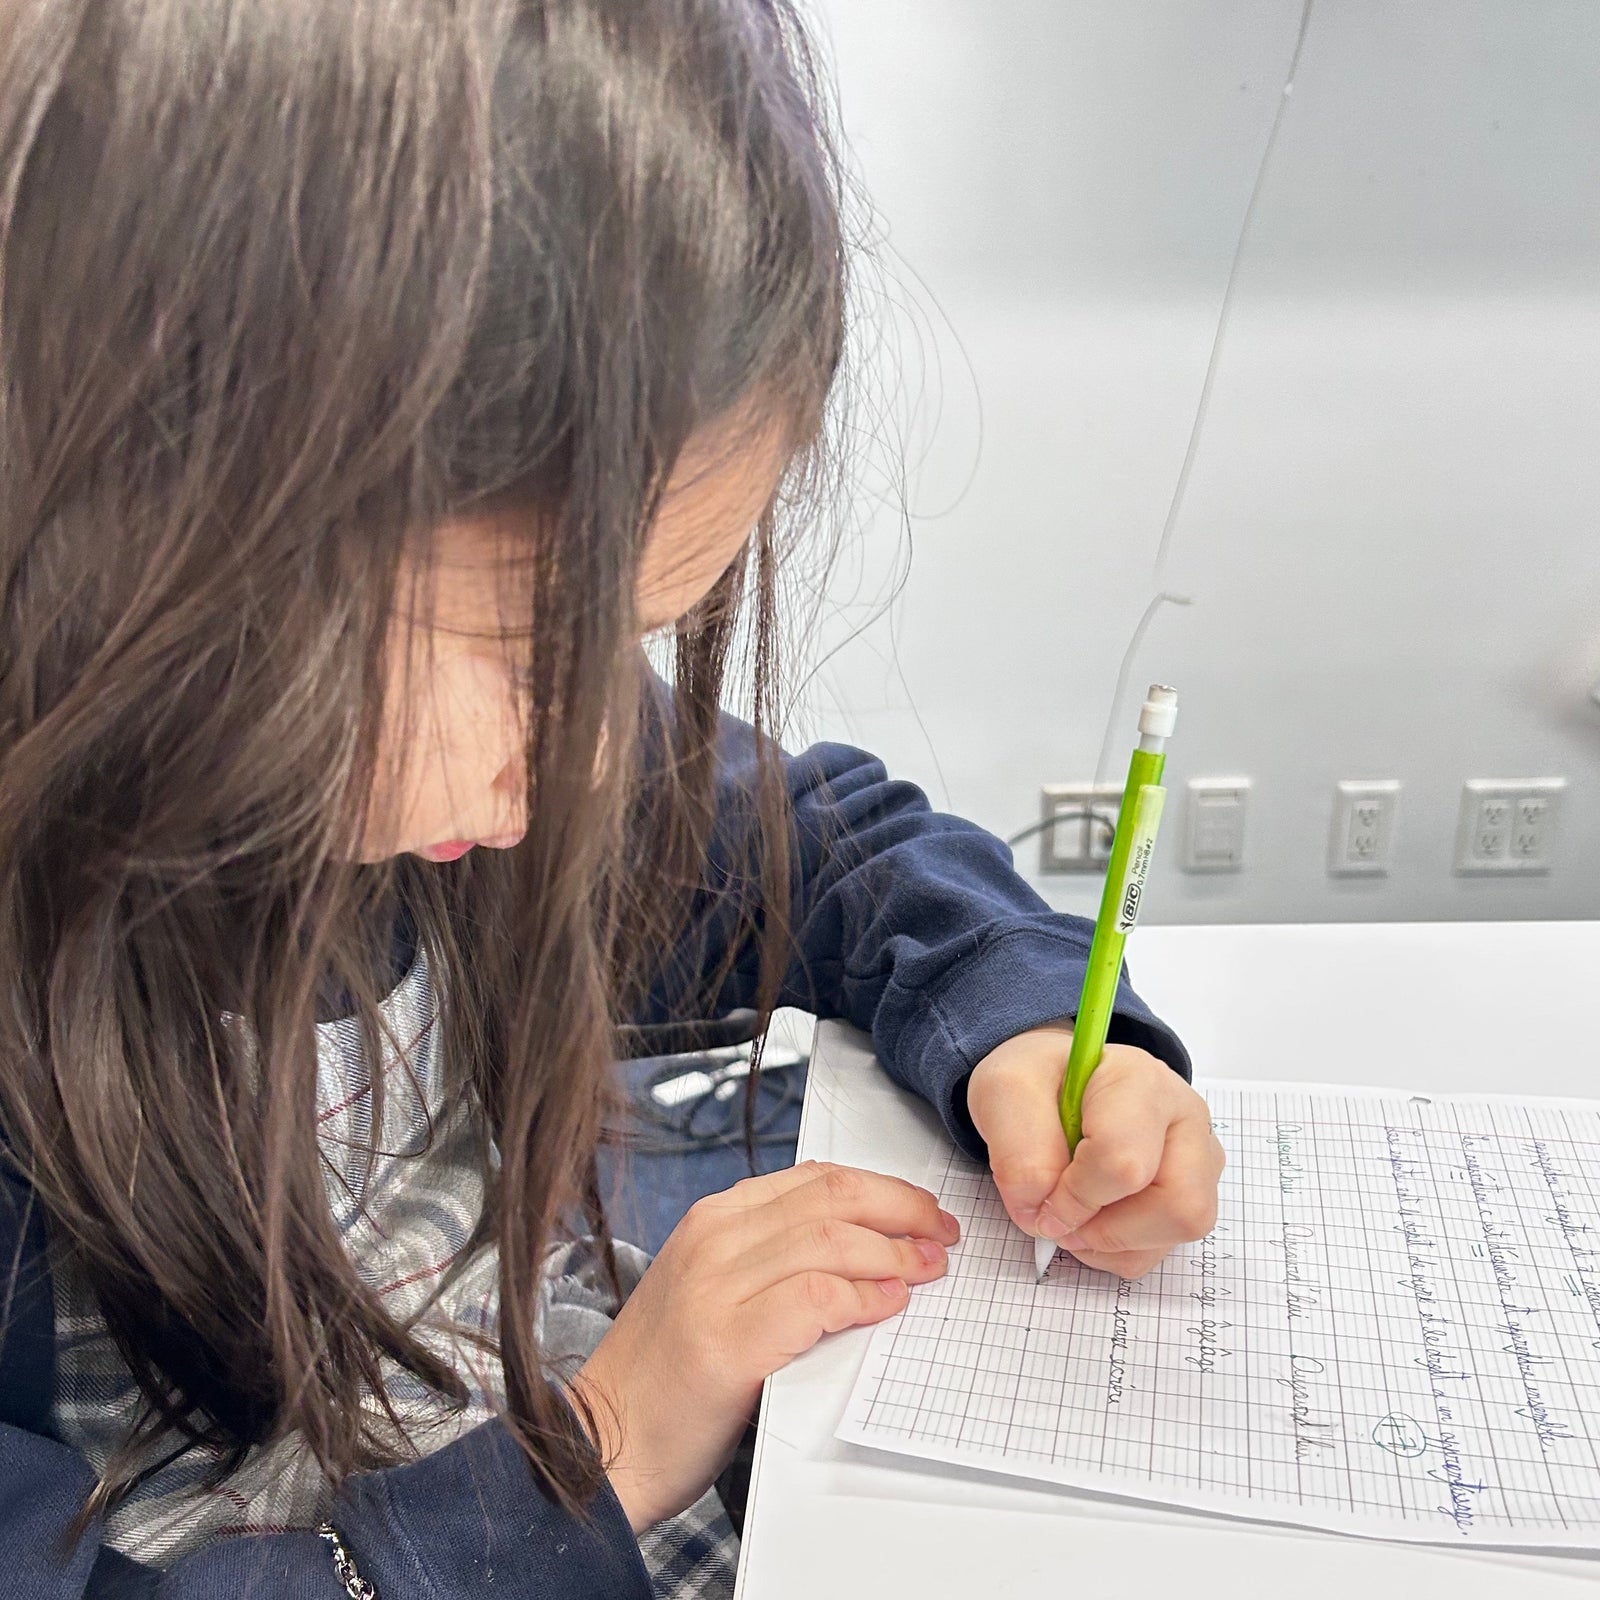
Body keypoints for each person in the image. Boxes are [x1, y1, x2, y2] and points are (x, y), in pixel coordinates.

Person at [0, 1, 1225, 1594]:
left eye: (630, 639)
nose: (589, 760)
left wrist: (1030, 1033)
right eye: (520, 648)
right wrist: (594, 1455)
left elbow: (837, 852)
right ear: (145, 518)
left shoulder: (454, 780)